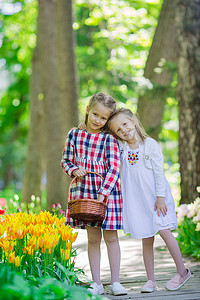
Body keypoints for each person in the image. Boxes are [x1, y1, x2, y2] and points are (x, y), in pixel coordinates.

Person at [106, 108, 191, 293]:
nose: (123, 130)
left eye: (125, 124)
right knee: (146, 238)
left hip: (156, 199)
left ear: (133, 120)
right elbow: (103, 135)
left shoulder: (150, 145)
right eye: (118, 130)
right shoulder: (123, 149)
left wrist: (160, 197)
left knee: (164, 231)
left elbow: (160, 173)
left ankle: (182, 271)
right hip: (139, 201)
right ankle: (151, 280)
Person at [61, 93, 127, 296]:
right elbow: (66, 160)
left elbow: (114, 168)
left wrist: (103, 193)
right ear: (88, 110)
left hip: (107, 196)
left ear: (108, 120)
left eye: (104, 118)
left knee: (112, 238)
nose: (98, 120)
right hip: (84, 193)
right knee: (92, 239)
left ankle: (115, 281)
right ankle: (96, 282)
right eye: (95, 114)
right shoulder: (74, 134)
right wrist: (73, 170)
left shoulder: (109, 139)